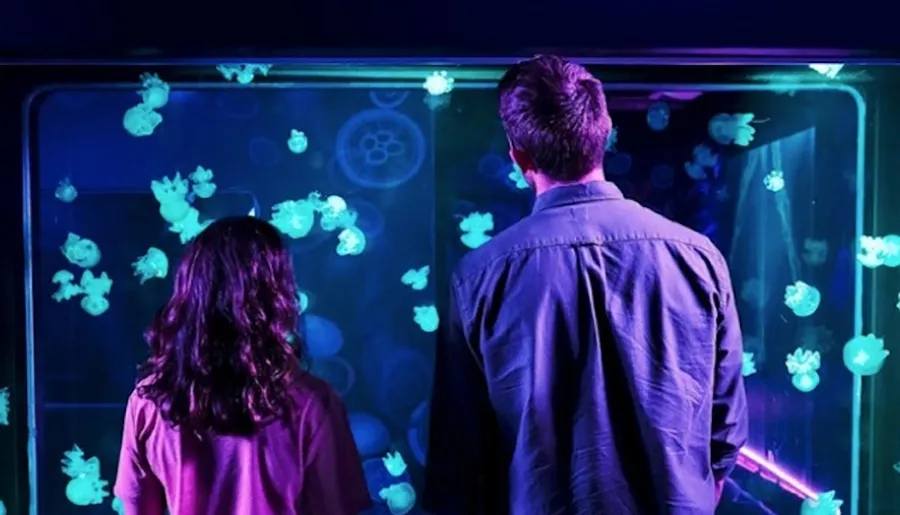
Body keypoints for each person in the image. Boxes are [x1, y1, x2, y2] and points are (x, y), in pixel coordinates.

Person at [422, 55, 748, 515]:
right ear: (605, 131)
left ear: (518, 156)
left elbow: (458, 455)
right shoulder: (698, 258)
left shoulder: (479, 277)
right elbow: (726, 431)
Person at [114, 216, 371, 515]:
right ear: (277, 292)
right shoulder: (312, 402)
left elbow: (136, 507)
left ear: (190, 290)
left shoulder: (148, 402)